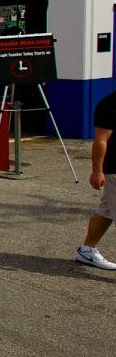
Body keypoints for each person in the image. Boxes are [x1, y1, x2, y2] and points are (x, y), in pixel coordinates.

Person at [76, 89, 116, 269]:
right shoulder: (109, 104)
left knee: (106, 212)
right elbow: (101, 140)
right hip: (114, 169)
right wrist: (97, 171)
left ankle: (86, 251)